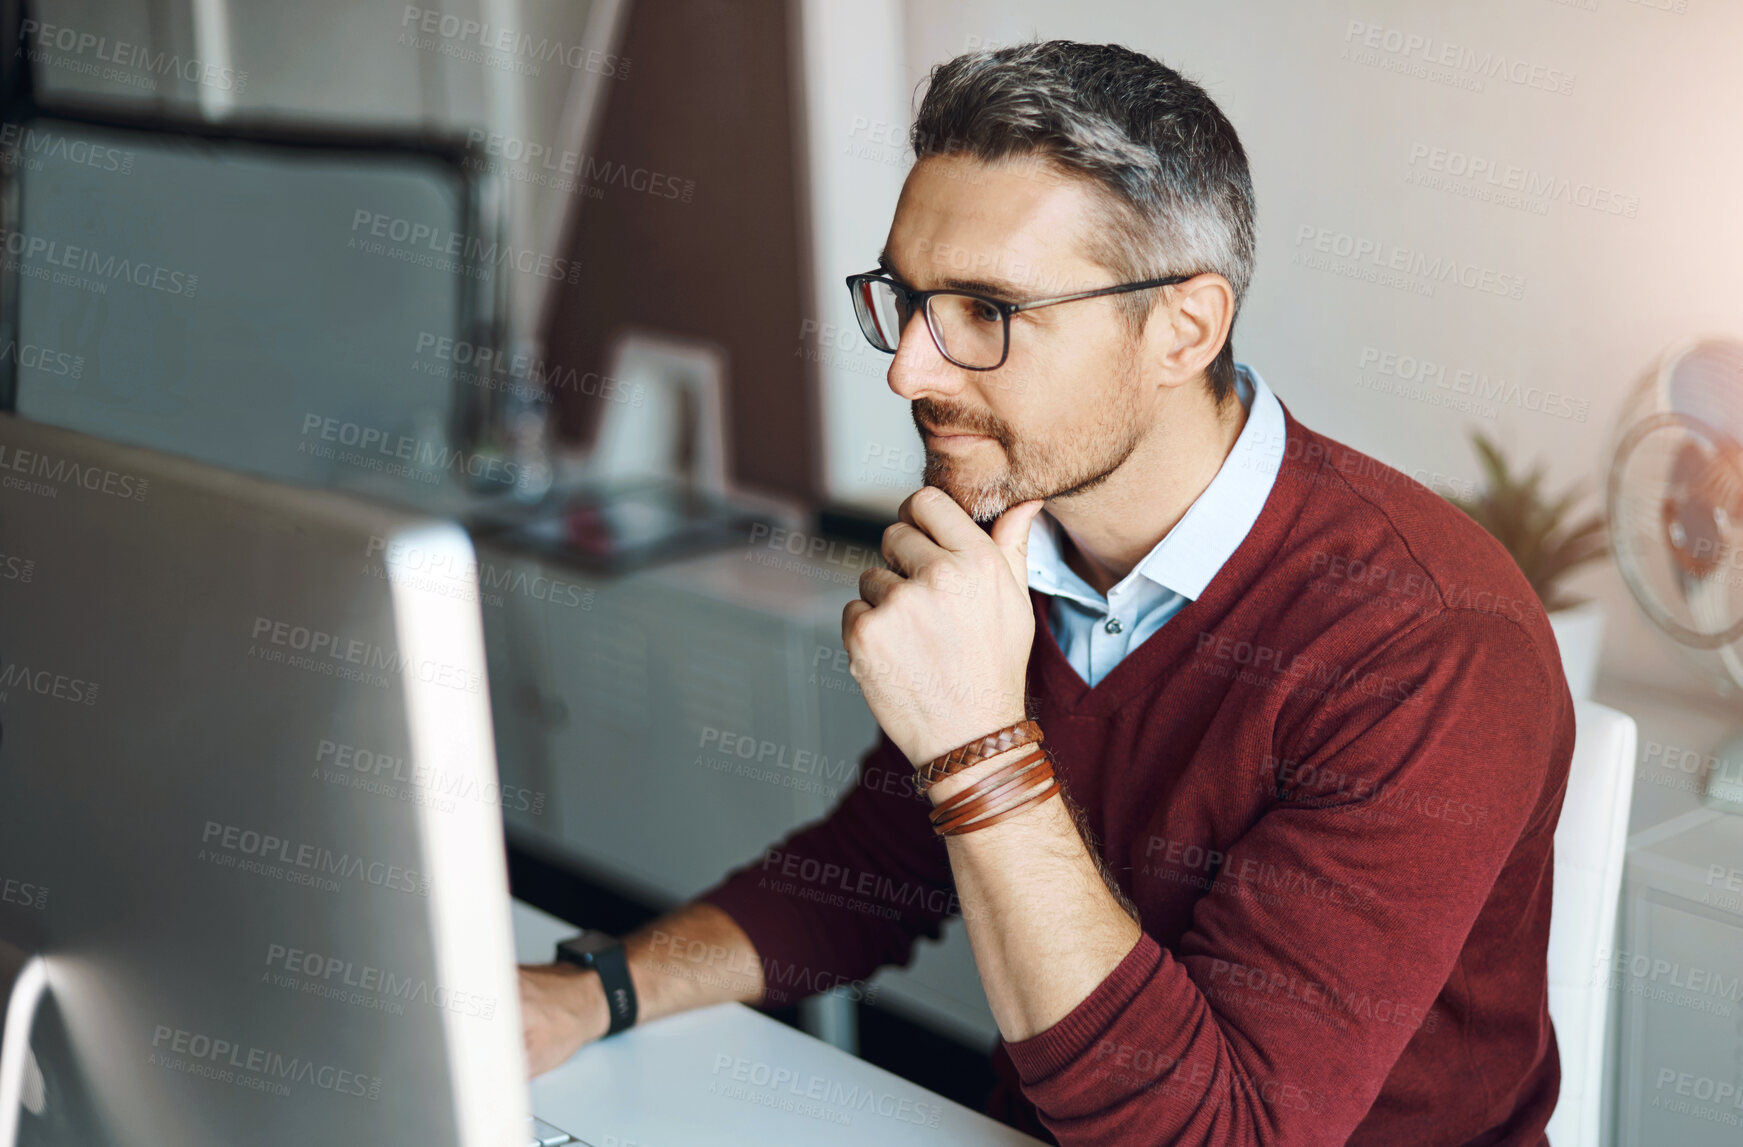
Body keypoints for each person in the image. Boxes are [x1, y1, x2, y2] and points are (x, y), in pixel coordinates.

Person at [519, 39, 1571, 1147]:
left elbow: (1229, 1137)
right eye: (908, 299)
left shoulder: (1430, 641)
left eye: (986, 310)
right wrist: (594, 990)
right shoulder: (1008, 537)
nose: (910, 370)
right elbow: (873, 869)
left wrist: (979, 745)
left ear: (1183, 328)